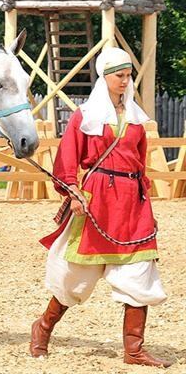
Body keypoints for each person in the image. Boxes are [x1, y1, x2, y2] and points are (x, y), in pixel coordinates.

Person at [29, 48, 170, 367]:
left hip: (133, 205)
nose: (125, 80)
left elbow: (141, 164)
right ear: (104, 77)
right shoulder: (85, 116)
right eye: (119, 75)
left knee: (140, 271)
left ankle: (134, 350)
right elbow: (67, 158)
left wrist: (146, 200)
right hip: (98, 201)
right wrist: (73, 191)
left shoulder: (135, 117)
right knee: (77, 274)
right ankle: (44, 327)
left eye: (128, 75)